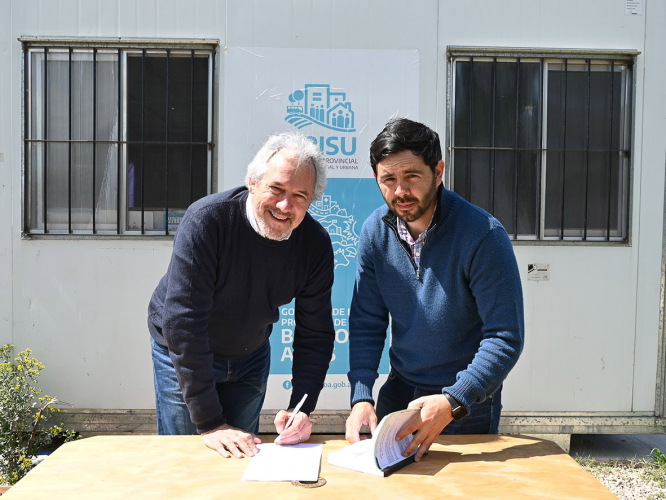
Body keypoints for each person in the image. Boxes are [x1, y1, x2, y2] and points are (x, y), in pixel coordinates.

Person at [345, 118, 524, 461]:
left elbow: (505, 335)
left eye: (411, 176)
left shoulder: (483, 235)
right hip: (398, 394)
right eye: (388, 179)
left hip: (463, 404)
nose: (400, 191)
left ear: (438, 171)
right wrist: (362, 396)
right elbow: (367, 322)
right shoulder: (374, 233)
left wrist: (454, 401)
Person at [148, 132, 335, 459]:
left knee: (241, 457)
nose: (284, 205)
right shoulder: (207, 221)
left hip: (249, 354)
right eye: (276, 189)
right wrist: (210, 423)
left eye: (299, 196)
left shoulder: (315, 246)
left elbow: (315, 333)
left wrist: (301, 407)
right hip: (183, 347)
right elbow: (184, 323)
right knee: (185, 459)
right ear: (252, 182)